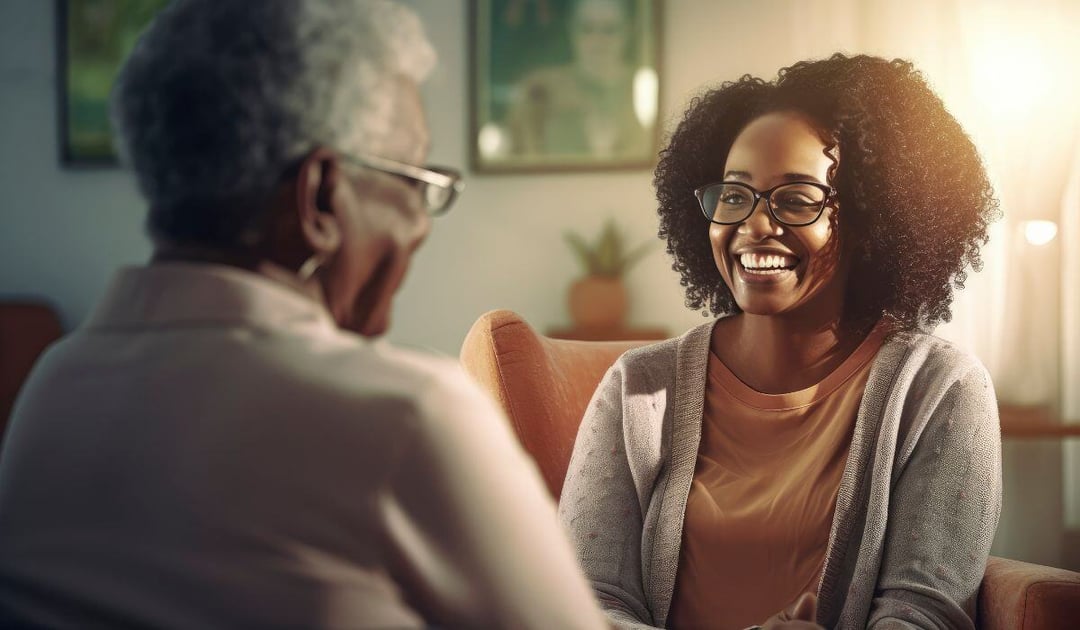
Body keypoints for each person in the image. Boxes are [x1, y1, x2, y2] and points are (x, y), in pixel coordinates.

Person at [0, 1, 607, 628]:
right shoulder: (405, 413)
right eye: (413, 183)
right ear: (320, 196)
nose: (422, 224)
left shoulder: (51, 387)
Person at [559, 53, 1002, 629]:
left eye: (796, 199)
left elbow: (921, 616)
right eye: (734, 195)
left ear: (874, 220)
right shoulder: (638, 389)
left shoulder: (939, 390)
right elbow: (581, 604)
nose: (755, 225)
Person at [505, 0, 651, 159]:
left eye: (610, 30)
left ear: (627, 31)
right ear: (572, 30)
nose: (598, 40)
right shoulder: (540, 89)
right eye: (587, 29)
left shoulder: (645, 88)